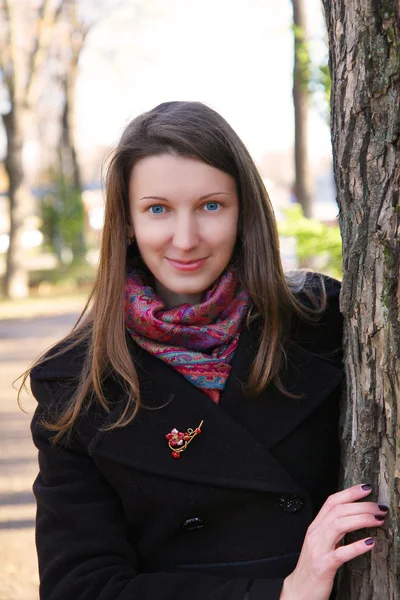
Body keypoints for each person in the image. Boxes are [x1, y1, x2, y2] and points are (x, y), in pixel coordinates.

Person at [22, 101, 387, 600]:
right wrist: (281, 594)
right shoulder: (78, 382)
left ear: (244, 211)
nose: (186, 239)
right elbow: (80, 587)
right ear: (126, 222)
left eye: (211, 205)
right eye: (157, 209)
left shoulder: (322, 322)